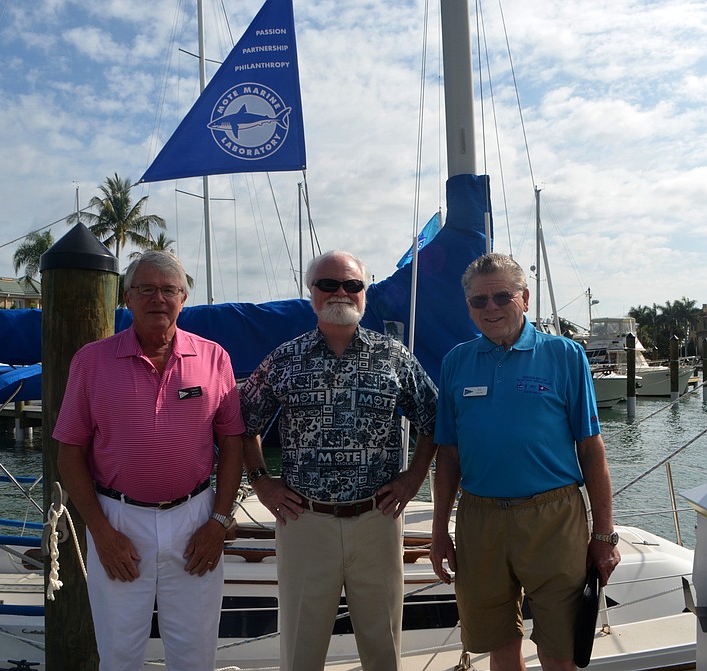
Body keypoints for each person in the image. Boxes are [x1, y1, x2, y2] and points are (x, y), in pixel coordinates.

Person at [239, 250, 439, 671]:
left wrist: (413, 478)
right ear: (311, 292)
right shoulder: (284, 359)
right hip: (304, 522)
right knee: (300, 652)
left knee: (383, 649)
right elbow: (242, 423)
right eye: (328, 284)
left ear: (365, 292)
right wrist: (262, 481)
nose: (341, 293)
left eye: (352, 285)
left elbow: (434, 419)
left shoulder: (394, 357)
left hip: (377, 520)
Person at [53, 250, 244, 671]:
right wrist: (100, 531)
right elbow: (69, 452)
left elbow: (233, 442)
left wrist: (219, 521)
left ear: (183, 298)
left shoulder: (215, 359)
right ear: (127, 297)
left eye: (168, 290)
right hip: (117, 518)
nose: (158, 298)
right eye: (146, 289)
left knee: (195, 658)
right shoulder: (90, 361)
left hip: (196, 519)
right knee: (119, 657)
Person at [430, 252, 621, 671]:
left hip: (553, 518)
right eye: (479, 301)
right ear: (469, 307)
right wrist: (439, 529)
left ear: (525, 298)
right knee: (498, 642)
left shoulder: (566, 355)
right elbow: (448, 456)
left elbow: (592, 451)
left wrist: (604, 535)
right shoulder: (456, 362)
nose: (491, 308)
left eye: (502, 296)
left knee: (560, 645)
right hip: (479, 518)